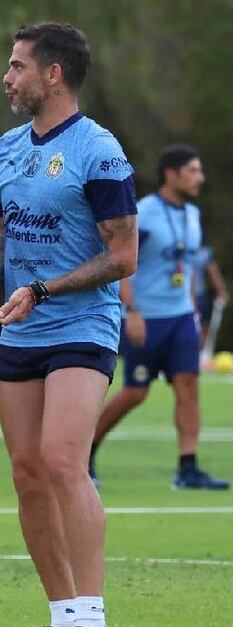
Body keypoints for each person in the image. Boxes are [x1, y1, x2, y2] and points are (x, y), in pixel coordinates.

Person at [0, 23, 137, 627]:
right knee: (28, 473)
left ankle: (94, 620)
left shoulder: (100, 151)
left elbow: (124, 255)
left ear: (52, 74)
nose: (8, 77)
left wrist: (47, 289)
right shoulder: (5, 148)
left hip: (82, 326)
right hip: (19, 327)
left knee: (62, 461)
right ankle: (60, 619)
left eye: (17, 66)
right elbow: (3, 235)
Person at [89, 145, 228, 490]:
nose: (200, 178)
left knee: (188, 387)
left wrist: (194, 310)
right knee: (135, 393)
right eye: (193, 171)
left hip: (181, 317)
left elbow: (190, 265)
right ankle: (85, 452)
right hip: (146, 318)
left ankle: (188, 468)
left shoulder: (193, 215)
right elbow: (120, 263)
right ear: (172, 174)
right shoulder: (144, 214)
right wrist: (131, 311)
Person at [193, 245, 228, 358]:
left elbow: (214, 272)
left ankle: (199, 358)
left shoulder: (204, 252)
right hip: (183, 298)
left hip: (198, 296)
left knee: (202, 329)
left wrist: (221, 291)